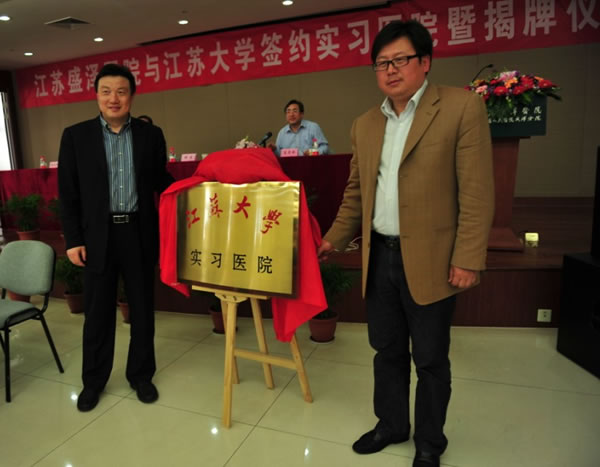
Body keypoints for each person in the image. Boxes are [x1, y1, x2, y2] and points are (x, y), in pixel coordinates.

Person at [317, 20, 494, 467]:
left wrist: (468, 257)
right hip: (380, 257)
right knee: (386, 351)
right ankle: (392, 424)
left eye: (400, 60)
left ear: (425, 62)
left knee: (430, 359)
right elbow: (356, 193)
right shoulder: (365, 124)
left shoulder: (460, 108)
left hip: (433, 259)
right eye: (382, 63)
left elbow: (476, 193)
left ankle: (430, 442)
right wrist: (333, 238)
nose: (390, 70)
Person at [58, 64, 174, 412]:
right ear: (96, 95)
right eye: (106, 91)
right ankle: (93, 381)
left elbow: (161, 180)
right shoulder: (76, 136)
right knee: (97, 312)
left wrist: (197, 186)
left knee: (142, 308)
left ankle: (141, 375)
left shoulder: (150, 135)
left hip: (138, 232)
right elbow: (68, 193)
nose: (114, 98)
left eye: (121, 91)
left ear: (132, 96)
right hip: (97, 236)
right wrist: (73, 239)